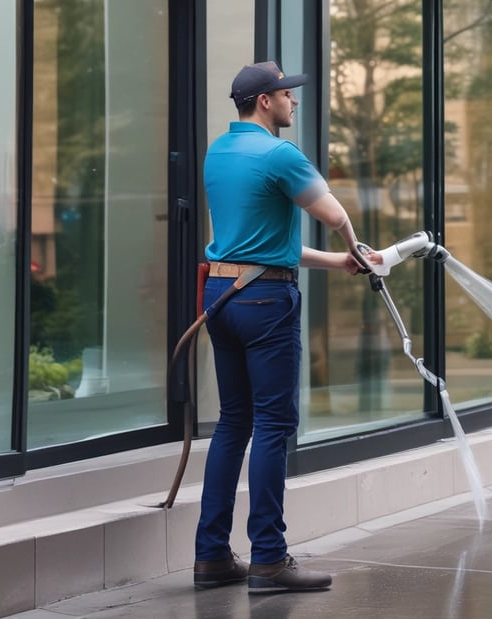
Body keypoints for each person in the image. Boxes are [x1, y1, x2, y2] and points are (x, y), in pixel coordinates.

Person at [193, 61, 376, 593]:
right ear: (265, 101)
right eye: (286, 95)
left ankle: (211, 557)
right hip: (266, 301)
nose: (294, 102)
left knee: (233, 424)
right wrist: (353, 247)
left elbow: (265, 243)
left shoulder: (219, 153)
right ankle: (269, 560)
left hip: (221, 297)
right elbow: (335, 214)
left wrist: (334, 263)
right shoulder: (279, 154)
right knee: (274, 426)